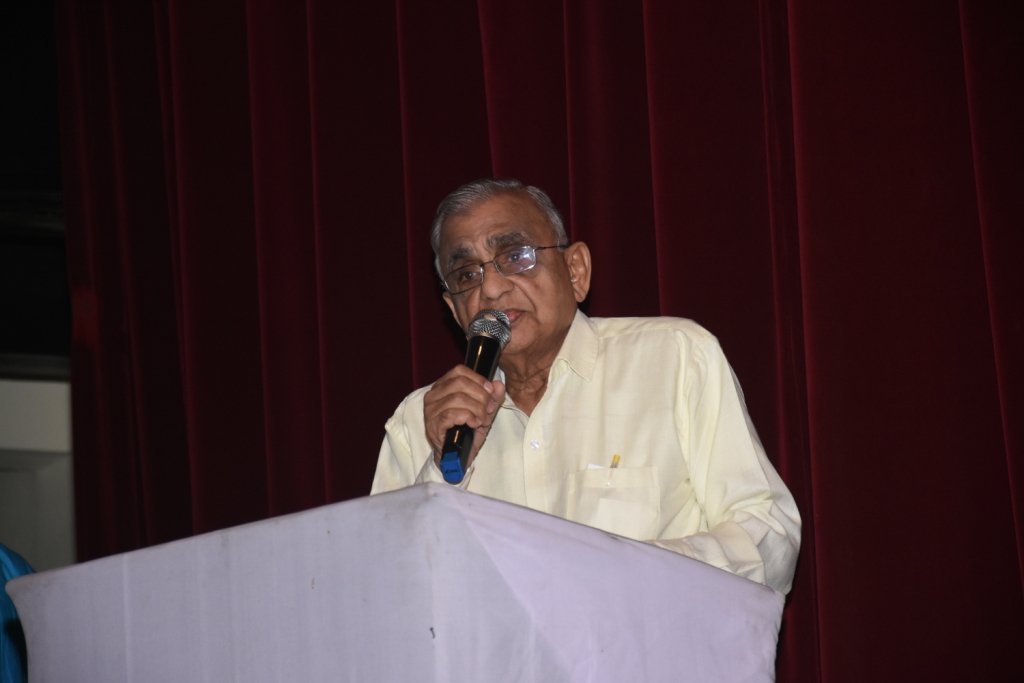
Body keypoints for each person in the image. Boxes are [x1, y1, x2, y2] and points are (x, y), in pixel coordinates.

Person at [372, 179, 801, 594]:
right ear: (454, 310)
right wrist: (443, 469)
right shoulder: (418, 421)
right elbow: (383, 589)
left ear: (576, 270)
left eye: (515, 256)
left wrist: (627, 572)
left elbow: (769, 533)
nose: (492, 288)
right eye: (467, 274)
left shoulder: (675, 358)